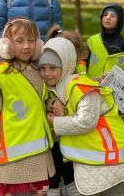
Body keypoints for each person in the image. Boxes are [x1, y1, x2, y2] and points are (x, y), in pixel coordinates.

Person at [38, 36, 124, 196]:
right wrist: (52, 103)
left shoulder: (79, 87)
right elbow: (53, 98)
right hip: (96, 156)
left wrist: (57, 122)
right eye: (43, 68)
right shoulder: (63, 85)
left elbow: (86, 121)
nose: (47, 73)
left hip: (105, 156)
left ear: (67, 65)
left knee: (114, 191)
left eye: (52, 68)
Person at [0, 17, 55, 196]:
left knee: (41, 191)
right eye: (20, 41)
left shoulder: (40, 70)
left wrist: (53, 103)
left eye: (31, 40)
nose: (27, 46)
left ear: (38, 44)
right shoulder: (0, 75)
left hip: (40, 152)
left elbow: (44, 98)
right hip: (14, 157)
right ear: (7, 44)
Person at [45, 25, 88, 196]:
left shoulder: (80, 68)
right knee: (54, 155)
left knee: (69, 157)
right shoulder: (49, 69)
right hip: (53, 125)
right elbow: (44, 94)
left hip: (70, 126)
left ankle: (70, 182)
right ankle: (54, 185)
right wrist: (52, 102)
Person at [86, 3, 124, 79]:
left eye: (112, 16)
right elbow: (83, 63)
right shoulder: (92, 40)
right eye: (105, 15)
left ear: (119, 21)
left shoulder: (123, 43)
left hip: (111, 88)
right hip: (91, 86)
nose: (108, 18)